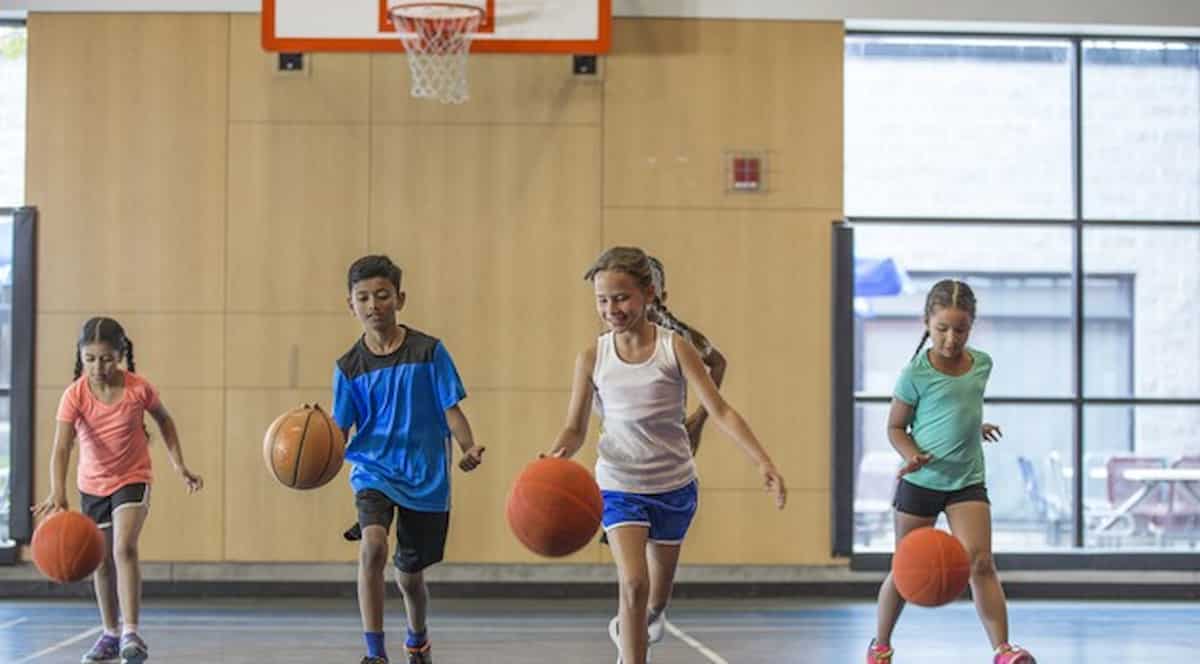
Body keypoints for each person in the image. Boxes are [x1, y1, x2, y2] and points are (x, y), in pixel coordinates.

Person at [545, 246, 786, 664]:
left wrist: (762, 460)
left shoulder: (675, 349)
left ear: (648, 294)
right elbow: (575, 428)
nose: (611, 308)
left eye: (621, 297)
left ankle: (640, 624)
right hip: (619, 484)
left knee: (654, 598)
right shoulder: (591, 357)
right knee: (634, 583)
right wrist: (555, 457)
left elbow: (721, 409)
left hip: (673, 486)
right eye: (602, 300)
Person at [866, 279, 1036, 664]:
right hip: (920, 482)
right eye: (942, 328)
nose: (950, 338)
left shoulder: (982, 365)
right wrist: (911, 454)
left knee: (981, 562)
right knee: (904, 569)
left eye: (960, 329)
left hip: (966, 480)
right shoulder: (914, 374)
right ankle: (880, 645)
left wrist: (974, 427)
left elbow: (955, 412)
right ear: (927, 322)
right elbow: (896, 427)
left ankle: (1003, 649)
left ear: (971, 326)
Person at [331, 255, 486, 664]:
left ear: (399, 298)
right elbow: (338, 431)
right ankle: (374, 653)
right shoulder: (348, 368)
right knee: (373, 547)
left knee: (409, 577)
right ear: (351, 305)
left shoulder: (429, 352)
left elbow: (452, 408)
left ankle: (417, 638)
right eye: (363, 297)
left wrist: (468, 447)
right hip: (373, 470)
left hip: (425, 475)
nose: (373, 305)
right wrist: (312, 453)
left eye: (382, 295)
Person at [33, 316, 204, 664]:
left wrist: (179, 465)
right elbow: (62, 448)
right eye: (90, 358)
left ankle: (131, 634)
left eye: (107, 358)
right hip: (92, 484)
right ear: (80, 356)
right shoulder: (75, 395)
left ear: (121, 354)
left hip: (132, 477)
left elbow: (165, 422)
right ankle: (110, 633)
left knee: (124, 548)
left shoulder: (138, 389)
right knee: (101, 560)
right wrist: (57, 492)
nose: (98, 366)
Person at [645, 256, 727, 456]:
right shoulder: (608, 342)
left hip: (669, 451)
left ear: (660, 298)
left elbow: (718, 363)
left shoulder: (678, 338)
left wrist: (698, 421)